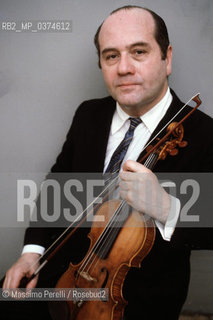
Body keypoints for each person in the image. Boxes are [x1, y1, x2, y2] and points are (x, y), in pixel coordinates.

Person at [2, 5, 213, 320]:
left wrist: (168, 208)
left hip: (135, 299)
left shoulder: (204, 133)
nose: (124, 68)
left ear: (166, 58)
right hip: (62, 276)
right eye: (111, 56)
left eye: (138, 51)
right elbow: (57, 185)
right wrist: (32, 253)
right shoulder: (90, 114)